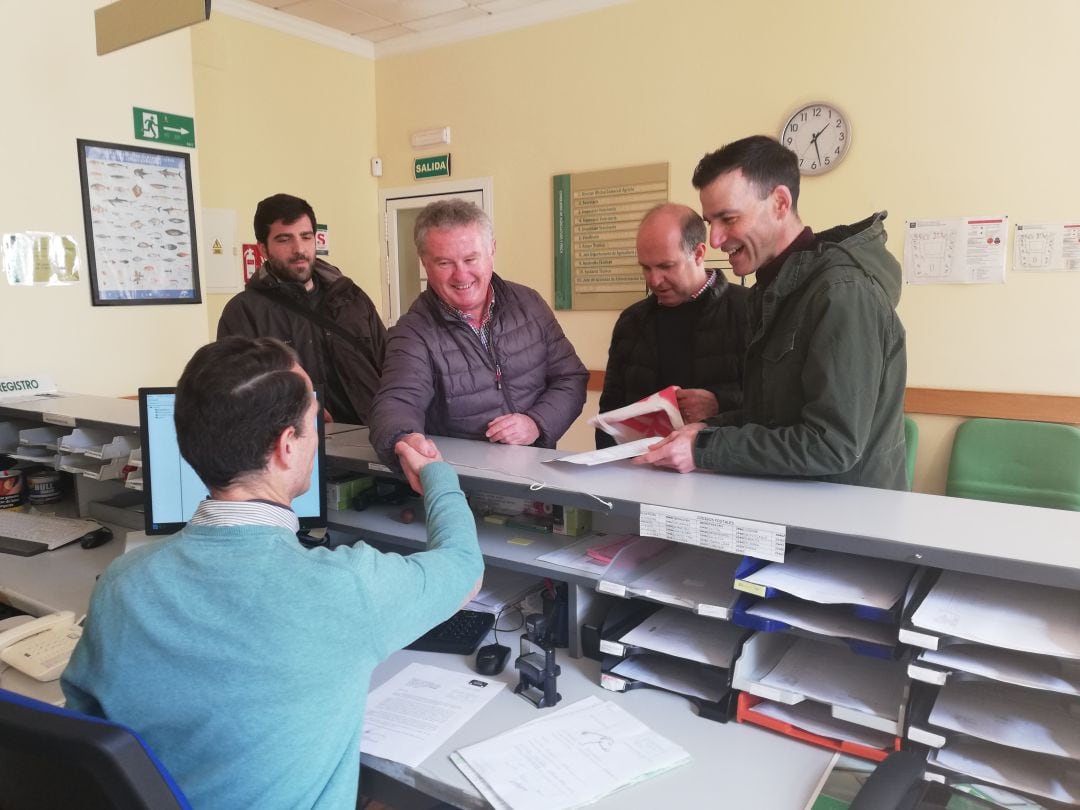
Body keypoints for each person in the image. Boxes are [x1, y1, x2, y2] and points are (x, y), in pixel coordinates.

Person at [61, 336, 482, 809]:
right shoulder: (346, 588)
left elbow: (87, 734)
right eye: (313, 422)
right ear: (286, 446)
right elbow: (465, 568)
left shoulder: (121, 583)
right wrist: (437, 476)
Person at [635, 135, 907, 490]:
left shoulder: (842, 293)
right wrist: (707, 429)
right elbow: (771, 418)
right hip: (788, 504)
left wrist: (704, 449)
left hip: (845, 514)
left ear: (780, 203)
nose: (715, 239)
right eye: (710, 221)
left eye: (728, 219)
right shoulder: (772, 291)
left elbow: (831, 445)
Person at [368, 199, 588, 463]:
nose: (461, 276)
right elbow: (398, 401)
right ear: (424, 262)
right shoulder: (413, 332)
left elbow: (570, 378)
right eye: (444, 263)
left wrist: (536, 423)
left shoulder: (529, 305)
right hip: (464, 479)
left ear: (491, 250)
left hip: (538, 473)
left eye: (471, 259)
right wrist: (403, 439)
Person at [218, 193, 386, 425]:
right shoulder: (244, 312)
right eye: (284, 239)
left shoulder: (351, 297)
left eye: (306, 237)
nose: (299, 249)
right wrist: (297, 411)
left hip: (375, 435)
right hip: (298, 439)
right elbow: (237, 394)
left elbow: (390, 366)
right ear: (263, 249)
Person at [597, 203, 749, 449]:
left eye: (666, 266)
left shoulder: (750, 310)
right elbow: (609, 413)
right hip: (638, 466)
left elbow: (778, 408)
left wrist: (720, 404)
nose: (654, 280)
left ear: (698, 253)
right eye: (646, 267)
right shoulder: (631, 321)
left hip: (719, 465)